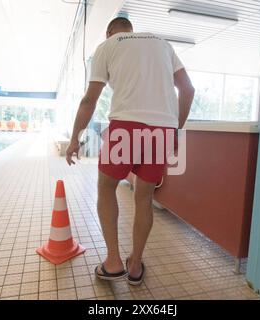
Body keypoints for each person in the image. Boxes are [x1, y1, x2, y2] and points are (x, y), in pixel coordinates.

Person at [66, 17, 195, 285]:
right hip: (162, 130)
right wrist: (175, 129)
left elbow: (89, 99)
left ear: (109, 31)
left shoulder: (108, 46)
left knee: (105, 188)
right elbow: (188, 89)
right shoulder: (161, 44)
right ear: (132, 30)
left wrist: (75, 138)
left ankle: (113, 262)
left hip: (126, 126)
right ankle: (135, 265)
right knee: (144, 198)